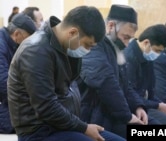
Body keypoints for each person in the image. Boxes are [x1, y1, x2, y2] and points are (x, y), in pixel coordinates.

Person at [7, 6, 125, 141]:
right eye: (88, 45)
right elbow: (46, 107)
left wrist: (81, 126)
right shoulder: (36, 51)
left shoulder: (64, 46)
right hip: (39, 132)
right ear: (72, 33)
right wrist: (83, 128)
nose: (87, 50)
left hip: (63, 126)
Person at [77, 4, 159, 138]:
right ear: (110, 26)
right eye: (125, 37)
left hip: (112, 113)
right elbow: (106, 83)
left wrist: (138, 106)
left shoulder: (114, 48)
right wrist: (127, 116)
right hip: (95, 116)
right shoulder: (93, 45)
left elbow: (125, 85)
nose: (127, 44)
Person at [0, 13, 36, 134]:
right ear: (16, 34)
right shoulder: (1, 45)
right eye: (28, 40)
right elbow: (4, 83)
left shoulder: (12, 44)